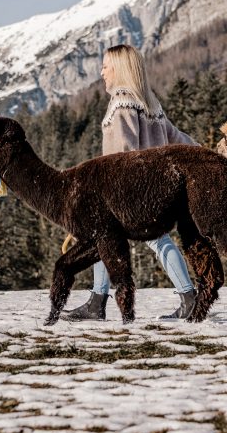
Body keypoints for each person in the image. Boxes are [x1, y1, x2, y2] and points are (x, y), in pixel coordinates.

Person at [61, 43, 199, 321]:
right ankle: (188, 299)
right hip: (155, 189)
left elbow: (123, 153)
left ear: (119, 68)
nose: (102, 72)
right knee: (154, 240)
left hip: (128, 190)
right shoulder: (150, 102)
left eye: (105, 66)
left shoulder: (122, 101)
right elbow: (178, 139)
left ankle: (97, 304)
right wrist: (207, 156)